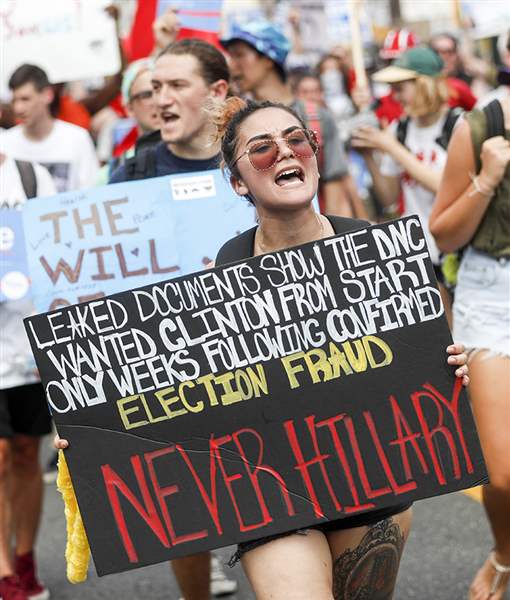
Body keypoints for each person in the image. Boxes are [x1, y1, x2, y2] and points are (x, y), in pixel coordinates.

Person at [211, 96, 470, 599]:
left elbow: (415, 360)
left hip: (369, 483)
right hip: (276, 490)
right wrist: (105, 440)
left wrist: (447, 362)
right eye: (262, 148)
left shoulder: (377, 252)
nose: (284, 153)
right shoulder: (227, 266)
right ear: (239, 181)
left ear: (314, 154)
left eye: (295, 140)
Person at [109, 38, 238, 600]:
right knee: (185, 513)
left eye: (176, 85)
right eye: (154, 88)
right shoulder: (131, 170)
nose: (160, 99)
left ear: (216, 94)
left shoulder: (253, 157)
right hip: (170, 365)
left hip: (253, 356)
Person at [429, 97, 510, 600]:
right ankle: (504, 554)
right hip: (493, 294)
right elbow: (442, 231)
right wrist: (487, 177)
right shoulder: (483, 125)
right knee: (501, 473)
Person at [350, 47, 460, 323]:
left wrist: (392, 148)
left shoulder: (459, 124)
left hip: (458, 248)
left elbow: (447, 187)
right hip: (420, 249)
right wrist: (371, 157)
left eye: (401, 87)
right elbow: (388, 196)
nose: (395, 96)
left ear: (424, 83)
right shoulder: (399, 129)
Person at [220, 21, 368, 220]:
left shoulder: (317, 117)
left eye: (239, 55)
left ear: (268, 59)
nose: (232, 65)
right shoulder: (235, 123)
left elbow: (335, 194)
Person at [0, 142, 56, 600]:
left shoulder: (32, 177)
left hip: (27, 343)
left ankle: (25, 556)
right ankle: (4, 573)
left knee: (25, 456)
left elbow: (58, 250)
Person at [0, 64, 98, 193]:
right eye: (14, 101)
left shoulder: (77, 139)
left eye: (25, 99)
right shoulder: (4, 143)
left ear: (48, 95)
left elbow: (92, 192)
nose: (18, 108)